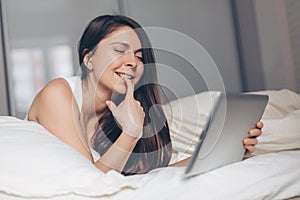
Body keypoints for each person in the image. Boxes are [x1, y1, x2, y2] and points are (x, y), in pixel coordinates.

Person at [27, 15, 263, 176]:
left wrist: (225, 152)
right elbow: (90, 181)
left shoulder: (122, 112)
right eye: (120, 50)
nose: (132, 62)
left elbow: (150, 174)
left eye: (140, 57)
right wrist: (131, 133)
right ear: (88, 59)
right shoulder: (57, 94)